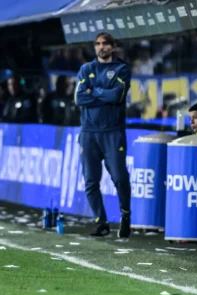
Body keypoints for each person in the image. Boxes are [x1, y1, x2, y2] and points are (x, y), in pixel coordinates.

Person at [75, 32, 132, 238]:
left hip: (112, 132)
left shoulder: (121, 69)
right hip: (89, 133)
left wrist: (94, 91)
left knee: (119, 177)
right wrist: (102, 94)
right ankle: (101, 222)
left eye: (105, 44)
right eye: (98, 44)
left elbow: (117, 96)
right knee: (90, 181)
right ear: (94, 47)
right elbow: (79, 98)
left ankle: (125, 215)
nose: (101, 47)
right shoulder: (86, 69)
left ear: (112, 46)